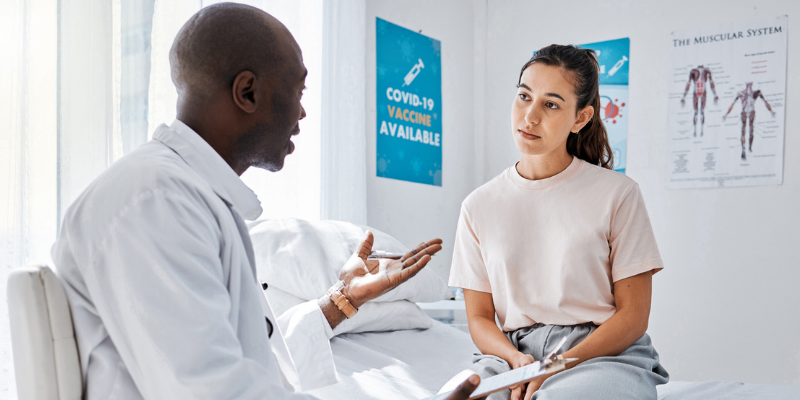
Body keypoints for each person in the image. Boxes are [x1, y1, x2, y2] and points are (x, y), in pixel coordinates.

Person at [52, 3, 481, 399]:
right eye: (298, 91)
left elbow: (257, 361)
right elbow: (215, 391)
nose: (302, 113)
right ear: (248, 93)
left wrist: (342, 301)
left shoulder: (187, 196)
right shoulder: (155, 202)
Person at [448, 44, 669, 400]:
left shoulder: (618, 194)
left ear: (581, 118)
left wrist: (556, 365)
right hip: (511, 355)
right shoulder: (478, 205)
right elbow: (480, 319)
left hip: (601, 354)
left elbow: (633, 316)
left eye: (550, 104)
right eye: (524, 96)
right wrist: (516, 360)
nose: (529, 117)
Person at [722, 82, 776, 160]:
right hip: (746, 112)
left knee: (750, 131)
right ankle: (745, 149)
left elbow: (765, 102)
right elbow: (732, 104)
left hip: (750, 113)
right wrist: (726, 114)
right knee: (745, 131)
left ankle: (749, 147)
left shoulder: (754, 93)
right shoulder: (743, 93)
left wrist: (771, 111)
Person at [680, 65, 718, 137]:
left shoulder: (706, 71)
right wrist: (683, 96)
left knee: (702, 112)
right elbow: (688, 83)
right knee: (696, 112)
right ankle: (695, 131)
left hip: (703, 91)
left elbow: (711, 82)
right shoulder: (693, 71)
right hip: (696, 91)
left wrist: (715, 94)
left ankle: (701, 131)